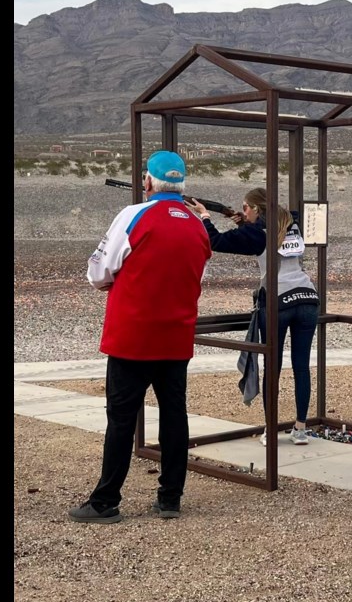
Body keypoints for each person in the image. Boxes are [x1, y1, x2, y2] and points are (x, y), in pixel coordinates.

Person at [68, 150, 212, 524]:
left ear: (148, 181)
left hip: (132, 335)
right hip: (175, 336)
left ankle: (105, 500)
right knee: (174, 415)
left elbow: (99, 270)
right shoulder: (197, 225)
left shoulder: (133, 215)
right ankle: (170, 498)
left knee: (120, 419)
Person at [185, 188, 319, 446]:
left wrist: (204, 216)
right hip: (307, 298)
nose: (243, 211)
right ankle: (300, 429)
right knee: (301, 367)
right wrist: (245, 220)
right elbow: (278, 220)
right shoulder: (291, 224)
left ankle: (271, 429)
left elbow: (216, 241)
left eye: (246, 207)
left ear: (257, 209)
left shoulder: (256, 234)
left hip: (278, 300)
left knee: (273, 367)